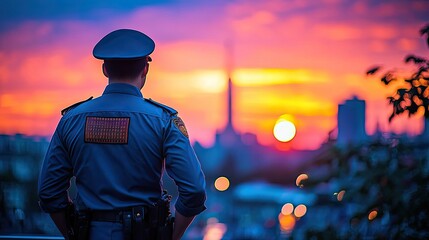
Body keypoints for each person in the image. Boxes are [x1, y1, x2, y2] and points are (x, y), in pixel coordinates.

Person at [38, 29, 207, 240]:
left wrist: (73, 234)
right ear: (145, 69)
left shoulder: (71, 120)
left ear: (104, 69)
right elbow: (195, 190)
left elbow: (48, 192)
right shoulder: (164, 121)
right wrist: (173, 235)